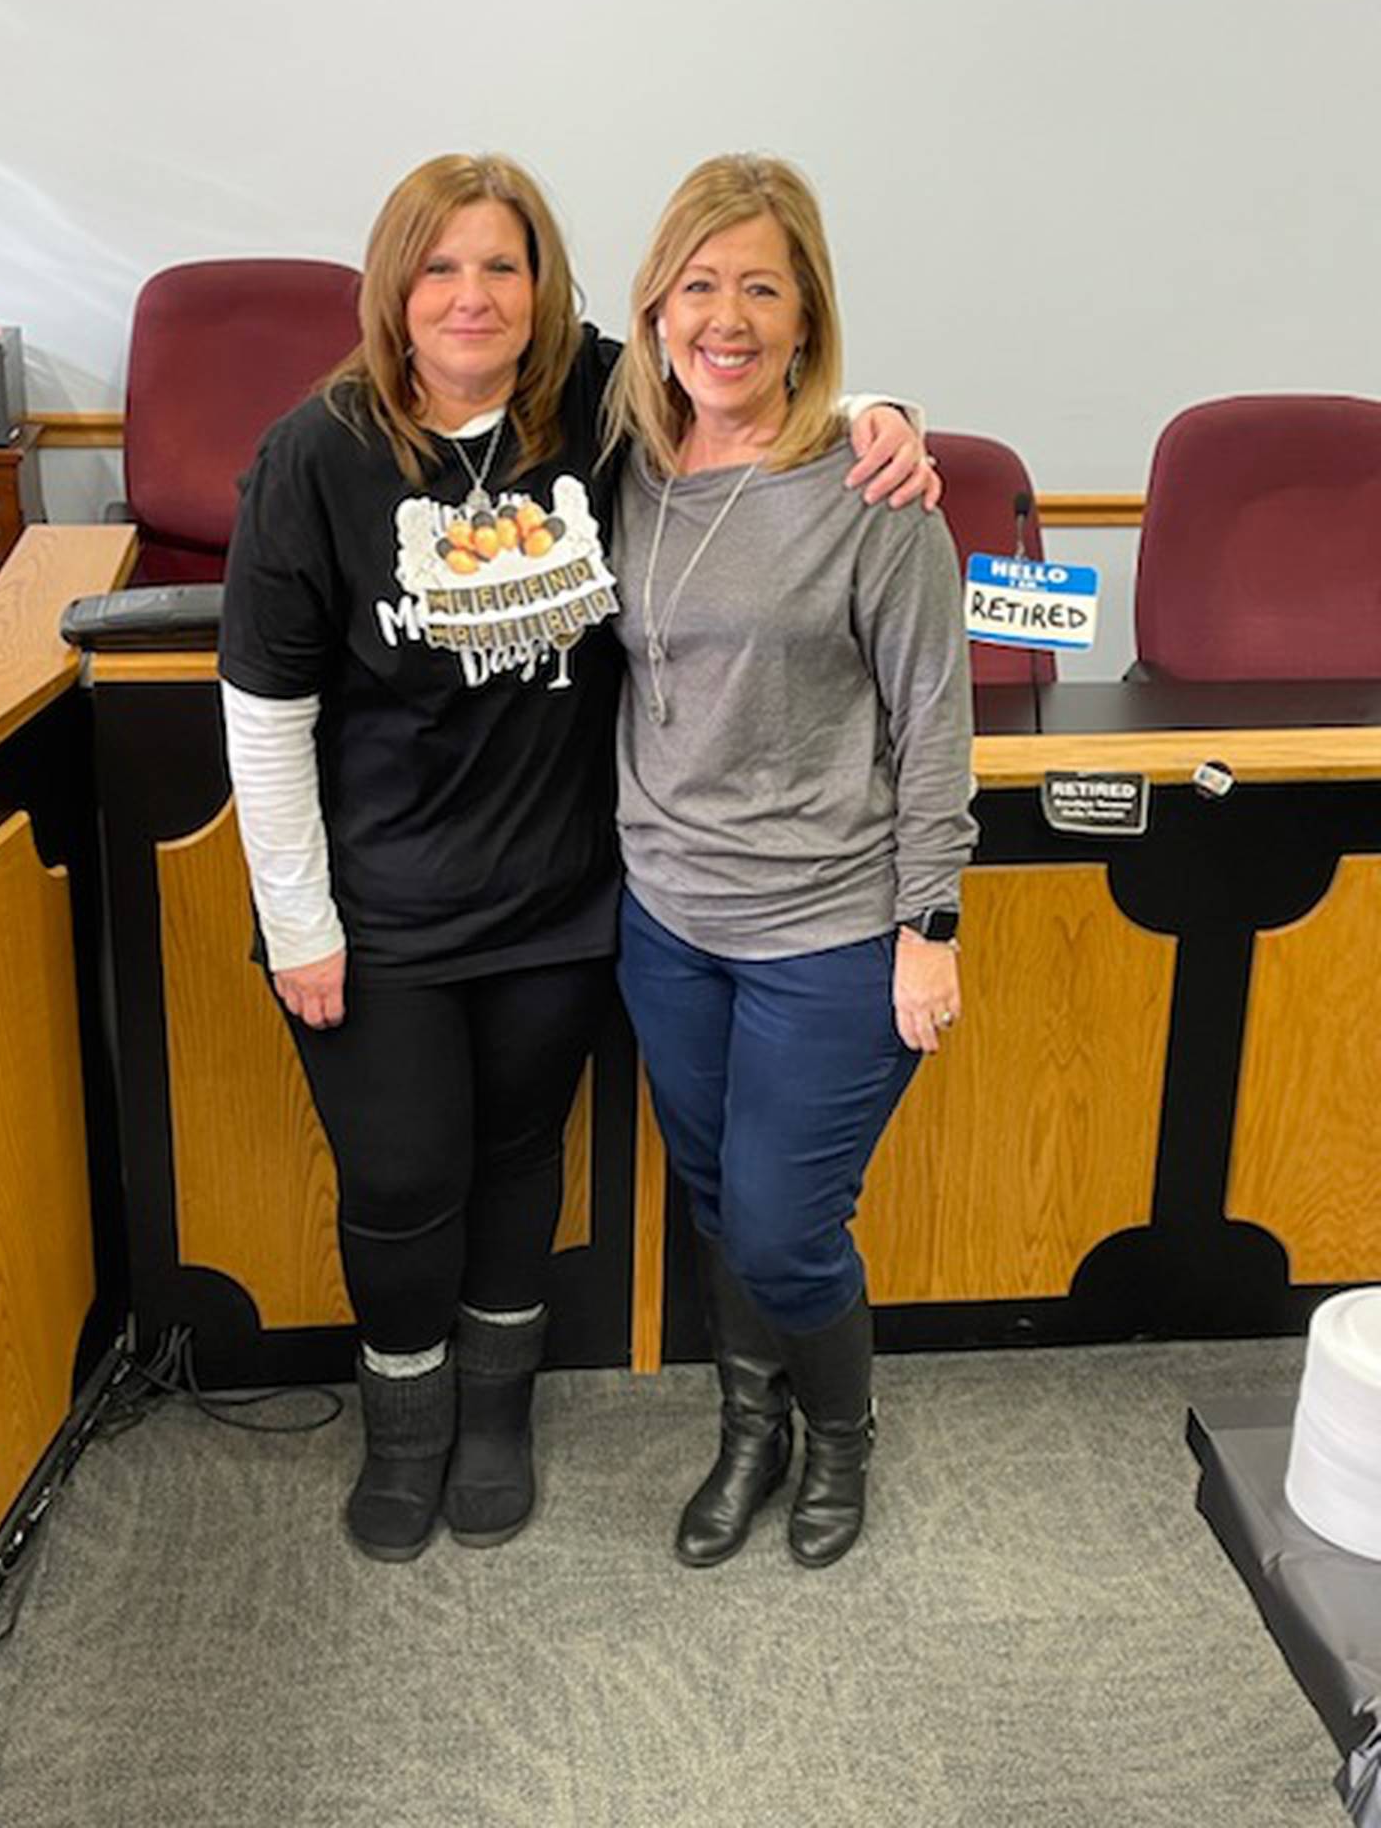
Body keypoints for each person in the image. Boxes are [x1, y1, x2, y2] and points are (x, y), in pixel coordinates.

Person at [218, 152, 937, 1565]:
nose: (472, 295)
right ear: (394, 288)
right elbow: (264, 709)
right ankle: (405, 1420)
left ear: (544, 288)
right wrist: (297, 919)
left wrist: (883, 415)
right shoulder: (322, 450)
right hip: (381, 912)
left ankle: (495, 1419)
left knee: (517, 1159)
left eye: (504, 265)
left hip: (561, 903)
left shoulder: (594, 408)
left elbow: (739, 364)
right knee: (401, 1179)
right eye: (441, 267)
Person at [606, 154, 977, 1570]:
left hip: (830, 926)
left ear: (810, 315)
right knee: (717, 1206)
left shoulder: (876, 496)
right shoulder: (625, 465)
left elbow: (937, 724)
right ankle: (746, 1430)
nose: (728, 317)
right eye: (701, 284)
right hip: (667, 921)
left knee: (782, 1221)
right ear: (656, 307)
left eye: (764, 286)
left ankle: (840, 1438)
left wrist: (930, 925)